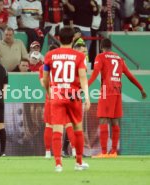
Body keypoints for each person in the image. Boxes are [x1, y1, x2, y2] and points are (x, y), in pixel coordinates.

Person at [89, 38, 147, 158]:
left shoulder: (100, 57)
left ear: (101, 47)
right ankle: (114, 152)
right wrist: (141, 88)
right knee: (115, 121)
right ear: (111, 47)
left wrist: (84, 86)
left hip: (106, 91)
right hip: (117, 92)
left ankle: (104, 152)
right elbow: (130, 75)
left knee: (103, 120)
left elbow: (95, 73)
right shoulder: (119, 59)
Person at [43, 26, 90, 172]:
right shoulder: (79, 56)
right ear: (73, 39)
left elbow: (45, 78)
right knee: (77, 129)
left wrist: (49, 91)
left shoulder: (50, 55)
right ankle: (78, 162)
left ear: (58, 38)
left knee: (57, 128)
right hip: (74, 95)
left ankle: (58, 164)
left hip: (56, 94)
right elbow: (83, 77)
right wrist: (87, 96)